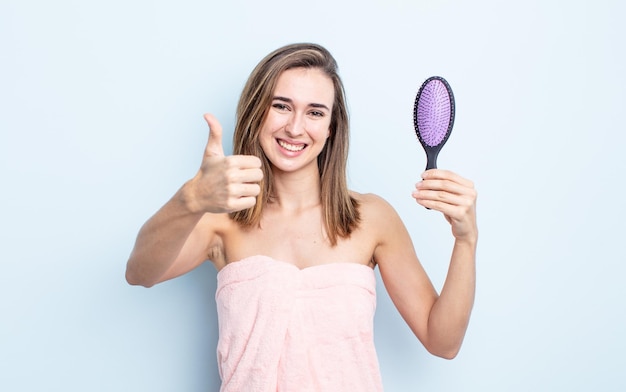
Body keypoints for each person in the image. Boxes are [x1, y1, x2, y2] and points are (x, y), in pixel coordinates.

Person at [126, 42, 478, 391]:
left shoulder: (372, 218)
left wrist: (466, 240)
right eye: (281, 106)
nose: (295, 128)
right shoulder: (220, 220)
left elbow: (442, 341)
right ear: (256, 111)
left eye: (315, 112)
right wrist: (191, 199)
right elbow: (140, 273)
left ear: (331, 127)